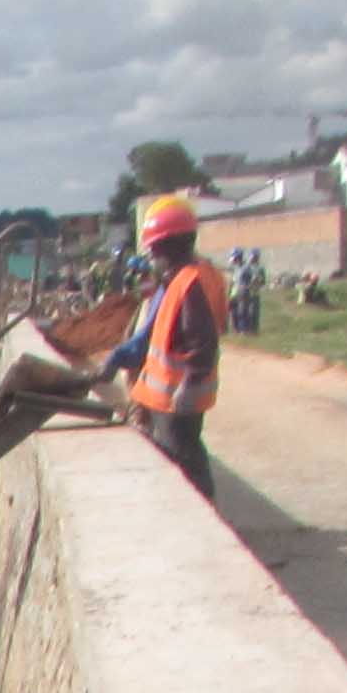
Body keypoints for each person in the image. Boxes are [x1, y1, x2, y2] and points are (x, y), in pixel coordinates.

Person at [100, 193, 232, 499]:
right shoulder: (184, 279)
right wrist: (118, 358)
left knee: (186, 459)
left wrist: (190, 383)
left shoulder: (188, 284)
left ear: (164, 248)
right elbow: (151, 335)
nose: (151, 258)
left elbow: (203, 340)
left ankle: (203, 515)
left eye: (153, 250)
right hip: (170, 396)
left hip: (178, 395)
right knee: (184, 454)